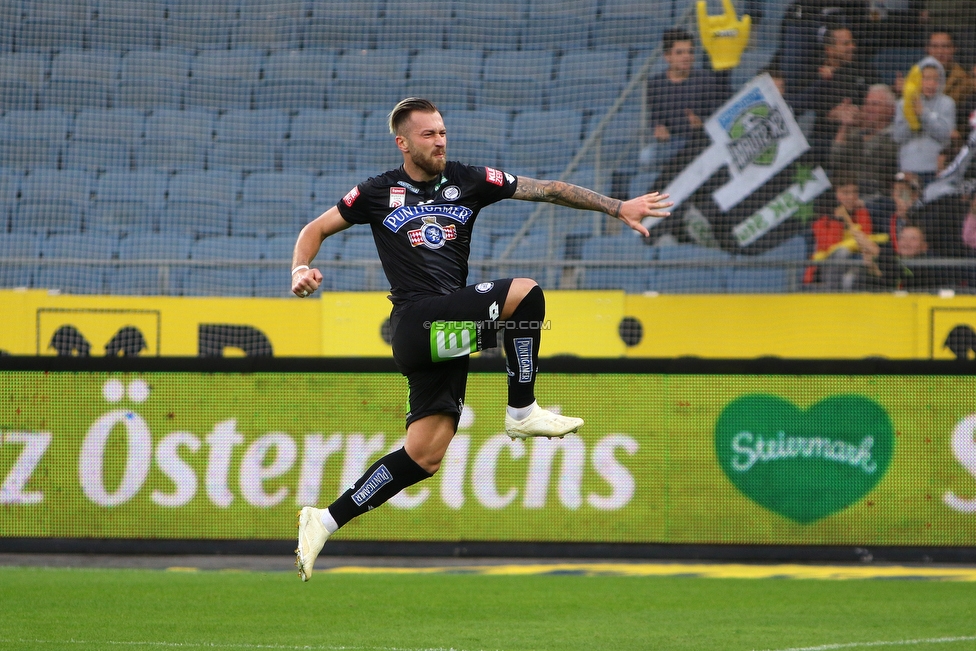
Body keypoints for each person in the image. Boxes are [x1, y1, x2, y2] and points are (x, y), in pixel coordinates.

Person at [290, 98, 673, 582]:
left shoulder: (470, 180)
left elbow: (549, 190)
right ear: (402, 142)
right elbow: (315, 228)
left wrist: (617, 206)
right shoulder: (376, 191)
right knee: (526, 296)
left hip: (446, 331)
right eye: (428, 134)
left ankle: (324, 520)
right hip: (414, 323)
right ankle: (522, 412)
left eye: (443, 132)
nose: (440, 141)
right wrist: (301, 268)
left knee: (424, 455)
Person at [640, 28, 730, 175]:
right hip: (670, 144)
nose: (687, 57)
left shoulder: (706, 80)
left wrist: (702, 124)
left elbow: (718, 116)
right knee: (646, 157)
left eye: (690, 52)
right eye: (680, 53)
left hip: (700, 143)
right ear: (667, 56)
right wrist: (658, 128)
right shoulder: (656, 84)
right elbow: (655, 116)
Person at [790, 25, 875, 165]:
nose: (852, 47)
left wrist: (856, 113)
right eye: (846, 44)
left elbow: (876, 100)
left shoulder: (864, 69)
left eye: (852, 42)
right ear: (829, 49)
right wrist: (830, 114)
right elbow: (796, 109)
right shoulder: (811, 73)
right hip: (824, 141)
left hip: (858, 138)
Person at [828, 83, 900, 207]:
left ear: (891, 109)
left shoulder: (895, 136)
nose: (869, 108)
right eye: (867, 104)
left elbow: (872, 161)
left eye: (875, 104)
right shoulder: (858, 134)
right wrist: (845, 125)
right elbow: (835, 159)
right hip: (849, 197)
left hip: (877, 200)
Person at [803, 170, 875, 288]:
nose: (851, 197)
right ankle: (832, 295)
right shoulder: (823, 220)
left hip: (855, 264)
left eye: (854, 192)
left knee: (851, 275)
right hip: (824, 269)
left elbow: (865, 240)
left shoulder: (862, 214)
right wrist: (839, 220)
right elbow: (830, 247)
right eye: (845, 193)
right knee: (842, 252)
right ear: (836, 194)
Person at [892, 56, 955, 186]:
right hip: (908, 169)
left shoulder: (947, 103)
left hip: (935, 170)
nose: (931, 84)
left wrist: (923, 114)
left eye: (935, 79)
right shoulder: (903, 103)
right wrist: (912, 117)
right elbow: (898, 137)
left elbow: (945, 136)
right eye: (926, 78)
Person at [922, 29, 975, 138]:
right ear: (927, 49)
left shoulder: (967, 81)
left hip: (952, 137)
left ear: (954, 49)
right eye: (935, 46)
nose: (939, 51)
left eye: (945, 46)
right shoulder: (914, 79)